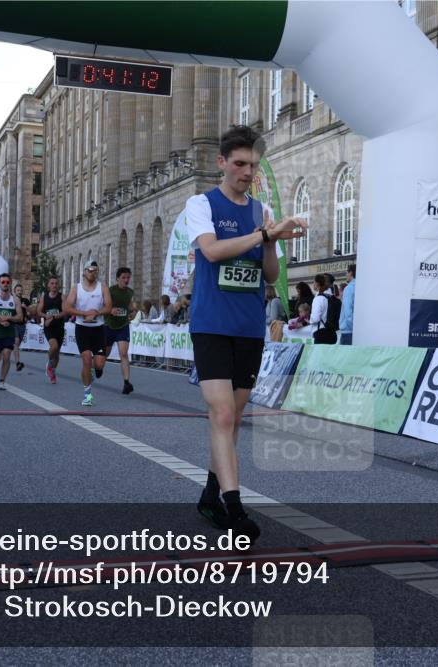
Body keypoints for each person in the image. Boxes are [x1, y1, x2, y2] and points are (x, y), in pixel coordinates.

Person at [185, 124, 306, 543]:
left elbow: (269, 274)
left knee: (233, 419)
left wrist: (271, 242)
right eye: (239, 164)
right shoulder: (201, 203)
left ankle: (209, 494)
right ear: (221, 162)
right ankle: (235, 508)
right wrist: (262, 234)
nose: (246, 172)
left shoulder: (260, 211)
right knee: (220, 414)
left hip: (249, 328)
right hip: (211, 324)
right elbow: (213, 251)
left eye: (253, 166)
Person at [64, 259, 112, 406]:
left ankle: (94, 370)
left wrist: (96, 313)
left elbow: (109, 307)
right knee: (86, 360)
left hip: (98, 329)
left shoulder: (102, 287)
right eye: (89, 270)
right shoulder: (76, 288)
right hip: (82, 329)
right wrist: (84, 313)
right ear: (84, 272)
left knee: (98, 364)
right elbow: (67, 307)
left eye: (94, 270)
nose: (92, 273)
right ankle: (87, 395)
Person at [104, 267, 135, 395]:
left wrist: (133, 312)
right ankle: (95, 369)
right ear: (117, 278)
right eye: (123, 277)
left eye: (128, 277)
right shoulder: (111, 291)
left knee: (123, 353)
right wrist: (110, 310)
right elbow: (102, 306)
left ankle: (126, 383)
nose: (126, 280)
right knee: (104, 355)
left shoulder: (130, 292)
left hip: (123, 325)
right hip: (109, 325)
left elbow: (130, 306)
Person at [39, 276, 67, 384]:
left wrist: (54, 317)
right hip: (49, 327)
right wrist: (46, 316)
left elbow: (65, 312)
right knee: (53, 347)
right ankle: (49, 364)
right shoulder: (44, 297)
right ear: (48, 285)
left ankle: (53, 373)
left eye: (56, 283)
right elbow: (39, 311)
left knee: (57, 354)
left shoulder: (62, 297)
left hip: (59, 327)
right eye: (52, 283)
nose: (54, 285)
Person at [309, 273, 339, 344]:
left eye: (314, 282)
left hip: (321, 333)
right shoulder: (330, 297)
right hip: (332, 332)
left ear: (317, 284)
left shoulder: (318, 298)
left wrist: (310, 320)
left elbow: (315, 318)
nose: (313, 284)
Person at [12, 283, 31, 372]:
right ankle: (18, 363)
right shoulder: (11, 300)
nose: (19, 292)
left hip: (22, 325)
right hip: (14, 324)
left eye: (20, 290)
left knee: (17, 345)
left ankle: (14, 352)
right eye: (18, 290)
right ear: (14, 292)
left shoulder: (25, 300)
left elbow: (32, 311)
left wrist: (26, 307)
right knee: (16, 342)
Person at [340, 263, 356, 344]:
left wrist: (351, 326)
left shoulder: (349, 288)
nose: (346, 275)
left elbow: (348, 310)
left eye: (347, 272)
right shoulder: (361, 286)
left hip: (348, 330)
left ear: (351, 273)